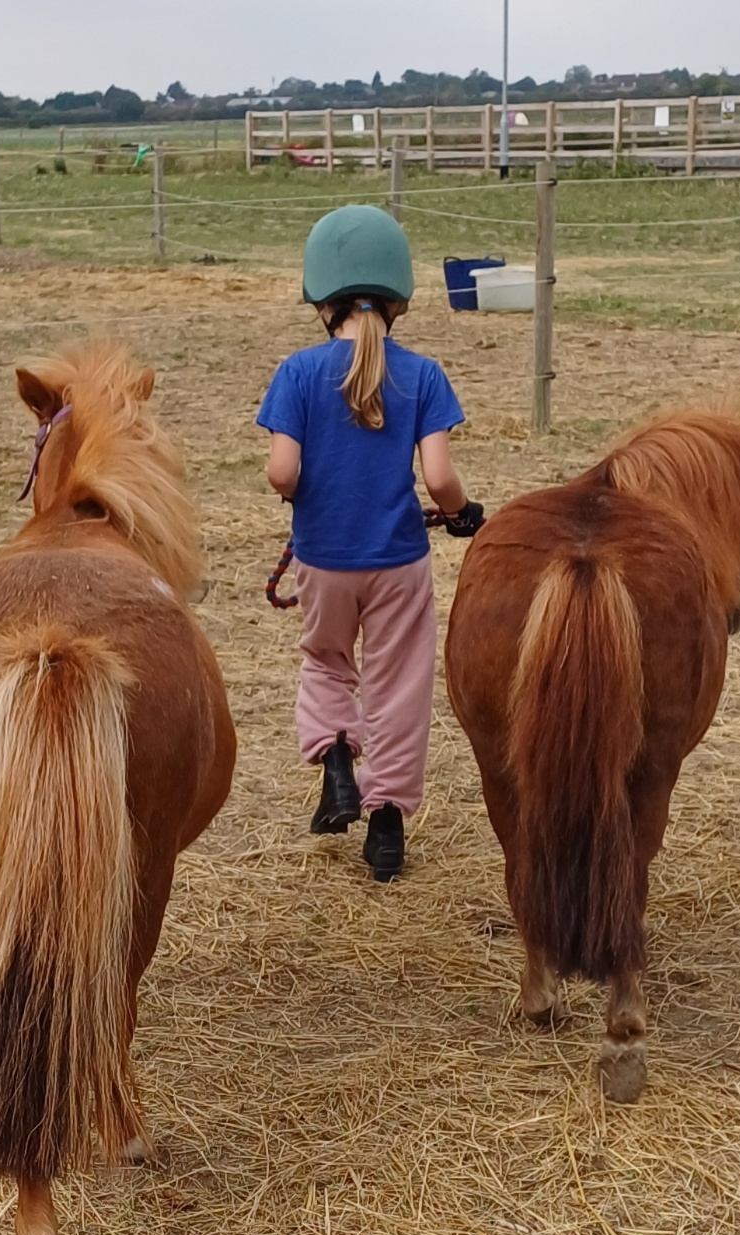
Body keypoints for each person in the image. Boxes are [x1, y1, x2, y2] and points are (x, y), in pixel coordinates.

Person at [257, 205, 485, 883]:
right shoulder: (422, 375)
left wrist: (298, 493)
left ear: (322, 300)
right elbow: (439, 477)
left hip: (324, 559)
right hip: (399, 563)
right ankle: (386, 828)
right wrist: (464, 513)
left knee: (327, 663)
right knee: (399, 686)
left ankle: (335, 761)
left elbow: (282, 471)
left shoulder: (297, 374)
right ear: (397, 297)